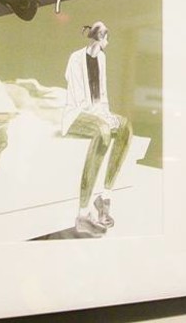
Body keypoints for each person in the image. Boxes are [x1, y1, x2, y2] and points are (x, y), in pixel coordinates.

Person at [63, 21, 132, 236]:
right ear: (99, 38)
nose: (107, 43)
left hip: (96, 113)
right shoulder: (75, 58)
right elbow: (79, 98)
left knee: (125, 126)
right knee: (103, 131)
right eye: (106, 38)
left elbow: (102, 94)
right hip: (77, 115)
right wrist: (102, 118)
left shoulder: (101, 58)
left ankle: (105, 197)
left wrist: (108, 114)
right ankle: (83, 214)